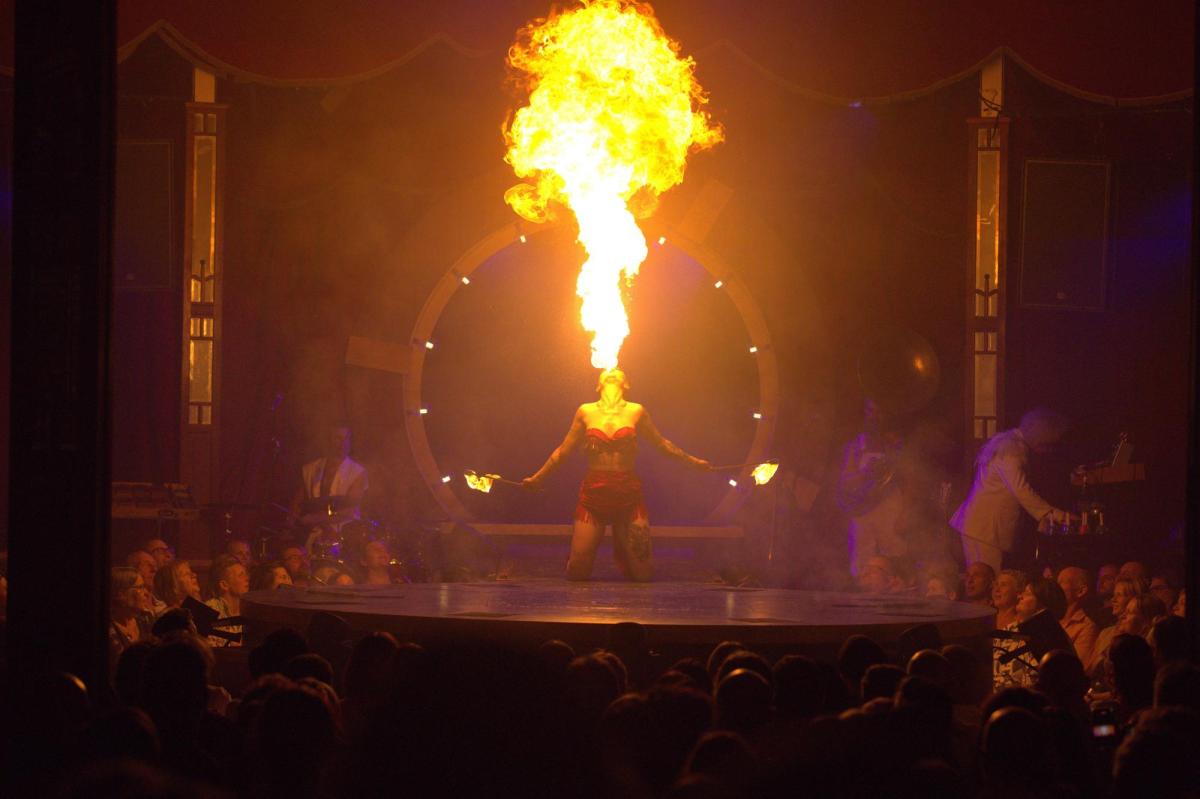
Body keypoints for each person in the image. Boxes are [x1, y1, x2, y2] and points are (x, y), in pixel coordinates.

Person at [522, 367, 711, 581]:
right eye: (607, 372)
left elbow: (662, 444)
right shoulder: (585, 411)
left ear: (626, 383)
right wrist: (538, 477)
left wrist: (693, 462)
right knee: (578, 570)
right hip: (594, 494)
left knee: (643, 574)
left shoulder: (636, 410)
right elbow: (562, 451)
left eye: (618, 372)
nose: (612, 371)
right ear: (598, 384)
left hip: (627, 493)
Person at [949, 408, 1073, 571]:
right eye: (1047, 443)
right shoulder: (1012, 450)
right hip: (986, 529)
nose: (1047, 449)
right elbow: (1021, 490)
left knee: (984, 577)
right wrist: (1056, 515)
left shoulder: (1009, 442)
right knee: (987, 578)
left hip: (981, 527)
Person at [836, 398, 906, 577]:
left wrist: (906, 511)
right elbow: (845, 482)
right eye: (870, 411)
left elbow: (907, 478)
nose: (874, 417)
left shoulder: (894, 444)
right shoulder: (855, 446)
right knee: (862, 560)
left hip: (890, 509)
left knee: (893, 554)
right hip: (862, 509)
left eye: (879, 412)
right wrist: (867, 473)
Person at [292, 425, 369, 536]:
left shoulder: (358, 472)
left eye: (347, 439)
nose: (343, 443)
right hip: (313, 533)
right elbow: (297, 503)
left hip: (345, 534)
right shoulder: (311, 469)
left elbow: (351, 510)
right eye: (338, 438)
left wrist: (315, 518)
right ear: (329, 440)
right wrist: (290, 523)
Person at [109, 566, 155, 666]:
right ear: (120, 594)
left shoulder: (146, 620)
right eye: (140, 587)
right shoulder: (109, 630)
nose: (146, 593)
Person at [1056, 566, 1099, 665]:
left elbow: (1076, 668)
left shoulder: (1087, 628)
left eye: (1061, 582)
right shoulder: (1051, 620)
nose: (1056, 587)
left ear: (1081, 591)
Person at [205, 555, 249, 647]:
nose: (247, 578)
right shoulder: (210, 611)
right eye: (241, 575)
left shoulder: (249, 611)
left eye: (246, 574)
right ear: (224, 585)